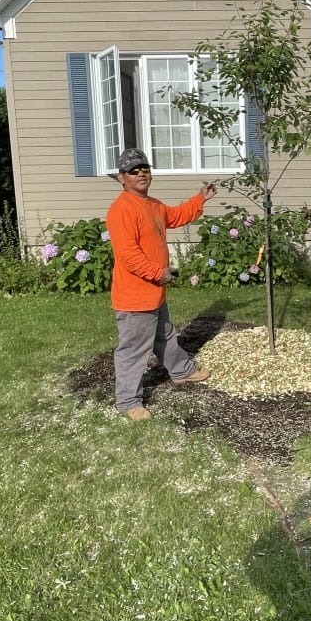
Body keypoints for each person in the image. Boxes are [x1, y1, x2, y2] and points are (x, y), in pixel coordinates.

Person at [106, 148, 218, 421]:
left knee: (164, 335)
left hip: (154, 293)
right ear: (122, 177)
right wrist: (158, 274)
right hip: (135, 297)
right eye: (133, 170)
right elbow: (129, 255)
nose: (140, 174)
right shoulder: (121, 210)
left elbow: (176, 216)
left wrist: (200, 198)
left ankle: (181, 371)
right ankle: (128, 401)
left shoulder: (152, 205)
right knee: (134, 350)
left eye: (144, 168)